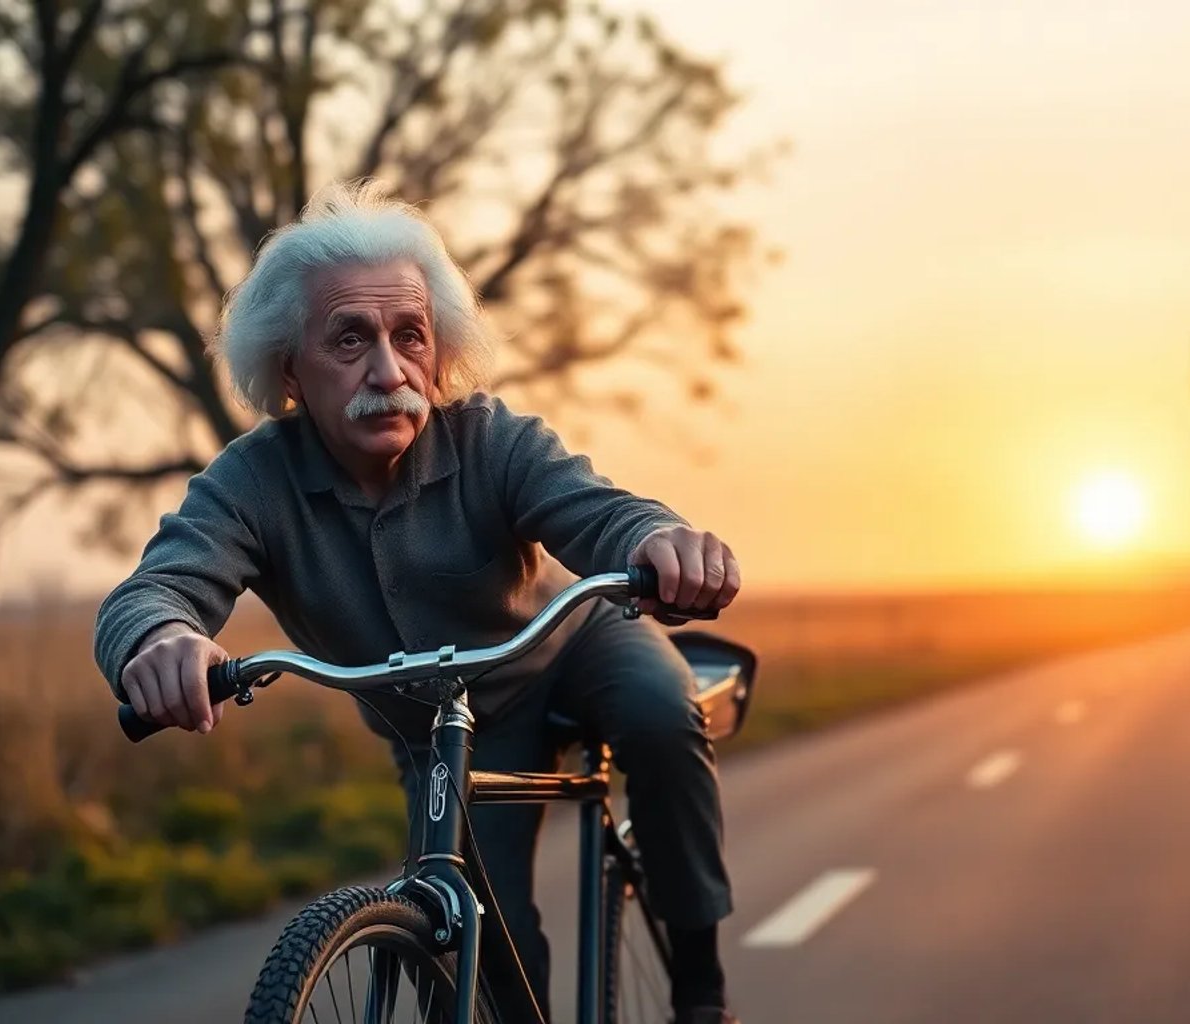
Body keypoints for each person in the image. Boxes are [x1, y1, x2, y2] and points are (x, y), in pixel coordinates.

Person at [93, 180, 742, 1024]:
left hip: (573, 646)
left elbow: (599, 512)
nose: (388, 370)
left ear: (438, 355)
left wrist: (658, 542)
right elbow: (157, 588)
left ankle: (701, 986)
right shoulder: (252, 482)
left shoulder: (492, 440)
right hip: (441, 726)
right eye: (350, 339)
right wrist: (160, 641)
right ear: (289, 369)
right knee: (483, 947)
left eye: (410, 336)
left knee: (660, 712)